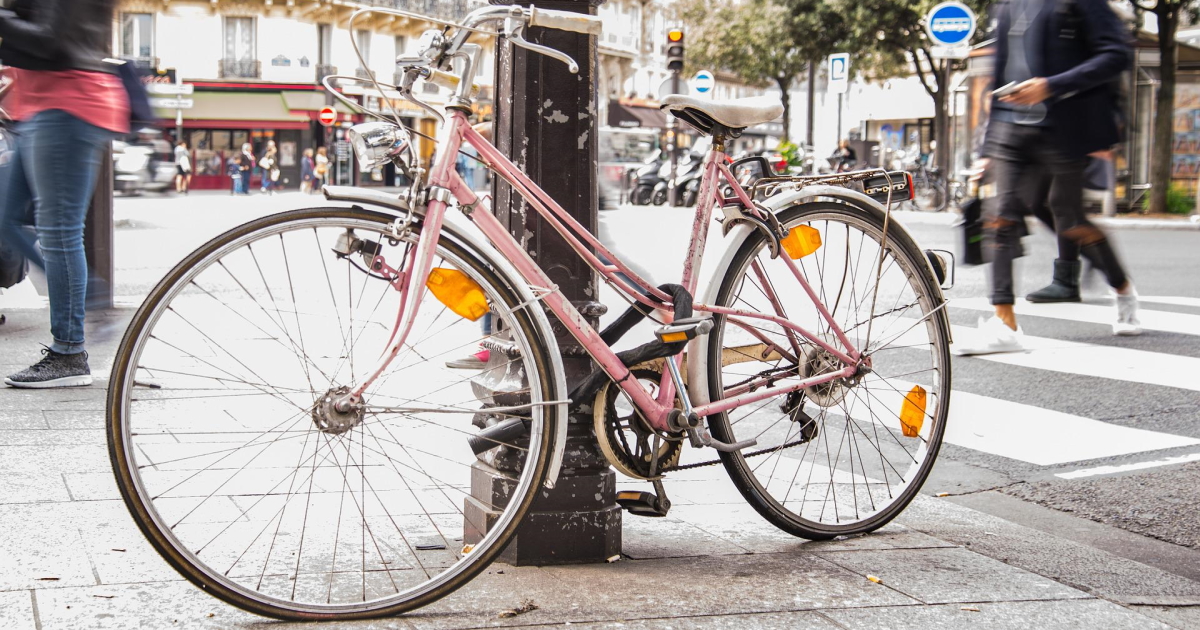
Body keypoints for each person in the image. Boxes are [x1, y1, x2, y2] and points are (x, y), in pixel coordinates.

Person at [954, 0, 1139, 356]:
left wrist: (1051, 85)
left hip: (1062, 125)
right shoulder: (1006, 7)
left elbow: (1115, 54)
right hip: (1010, 129)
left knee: (1068, 220)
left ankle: (1122, 288)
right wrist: (987, 148)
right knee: (999, 217)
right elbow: (999, 75)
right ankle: (1005, 323)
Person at [0, 0, 130, 388]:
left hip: (69, 105)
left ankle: (69, 353)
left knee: (59, 230)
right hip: (39, 108)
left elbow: (53, 41)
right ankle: (89, 295)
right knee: (7, 219)